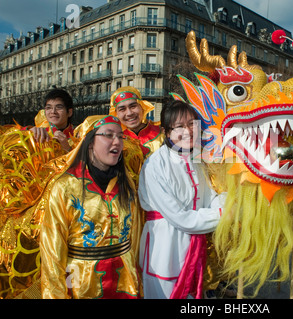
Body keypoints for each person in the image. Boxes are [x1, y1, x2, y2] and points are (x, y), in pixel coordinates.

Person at [40, 115, 142, 299]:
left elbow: (134, 237)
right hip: (81, 281)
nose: (117, 141)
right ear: (89, 143)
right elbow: (52, 251)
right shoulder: (64, 187)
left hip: (124, 279)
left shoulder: (126, 183)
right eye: (109, 135)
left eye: (120, 136)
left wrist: (137, 279)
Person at [138, 100, 225, 299]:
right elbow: (180, 218)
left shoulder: (197, 159)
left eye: (192, 124)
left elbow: (210, 198)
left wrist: (229, 200)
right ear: (167, 132)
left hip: (194, 245)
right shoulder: (155, 164)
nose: (188, 131)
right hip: (165, 247)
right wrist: (223, 213)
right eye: (179, 126)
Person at [109, 86, 164, 158]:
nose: (129, 113)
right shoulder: (114, 142)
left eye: (133, 106)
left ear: (142, 107)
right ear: (116, 114)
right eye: (122, 109)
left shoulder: (163, 134)